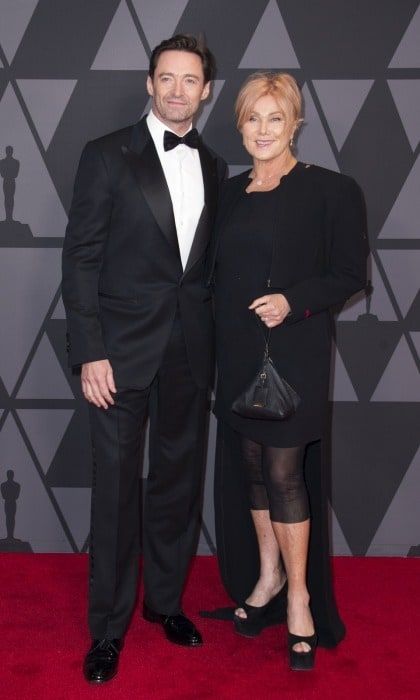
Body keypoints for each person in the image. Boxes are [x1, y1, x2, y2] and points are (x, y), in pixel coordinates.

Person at [62, 34, 226, 684]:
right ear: (150, 83)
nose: (178, 90)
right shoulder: (106, 156)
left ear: (206, 89)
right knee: (116, 495)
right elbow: (80, 259)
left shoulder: (213, 165)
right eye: (167, 78)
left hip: (189, 350)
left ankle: (164, 603)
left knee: (177, 488)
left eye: (191, 80)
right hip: (119, 356)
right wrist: (90, 351)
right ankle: (108, 629)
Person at [208, 72, 367, 670]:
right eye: (254, 118)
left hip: (293, 348)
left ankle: (299, 597)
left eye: (277, 118)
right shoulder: (227, 193)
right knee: (250, 466)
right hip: (238, 350)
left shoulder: (331, 189)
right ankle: (268, 576)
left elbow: (349, 273)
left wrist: (292, 300)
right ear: (240, 124)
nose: (264, 130)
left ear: (295, 122)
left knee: (283, 471)